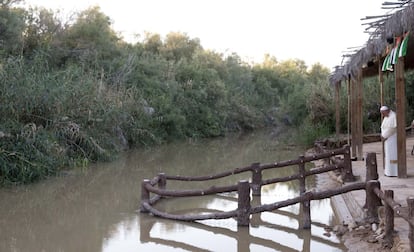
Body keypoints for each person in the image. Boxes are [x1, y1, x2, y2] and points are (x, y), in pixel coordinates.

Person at [380, 105, 398, 177]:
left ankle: (394, 172)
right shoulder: (387, 116)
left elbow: (392, 129)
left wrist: (384, 136)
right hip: (387, 140)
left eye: (383, 113)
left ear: (387, 111)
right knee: (388, 156)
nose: (382, 115)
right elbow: (384, 127)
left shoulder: (393, 116)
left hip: (392, 139)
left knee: (393, 156)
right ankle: (388, 171)